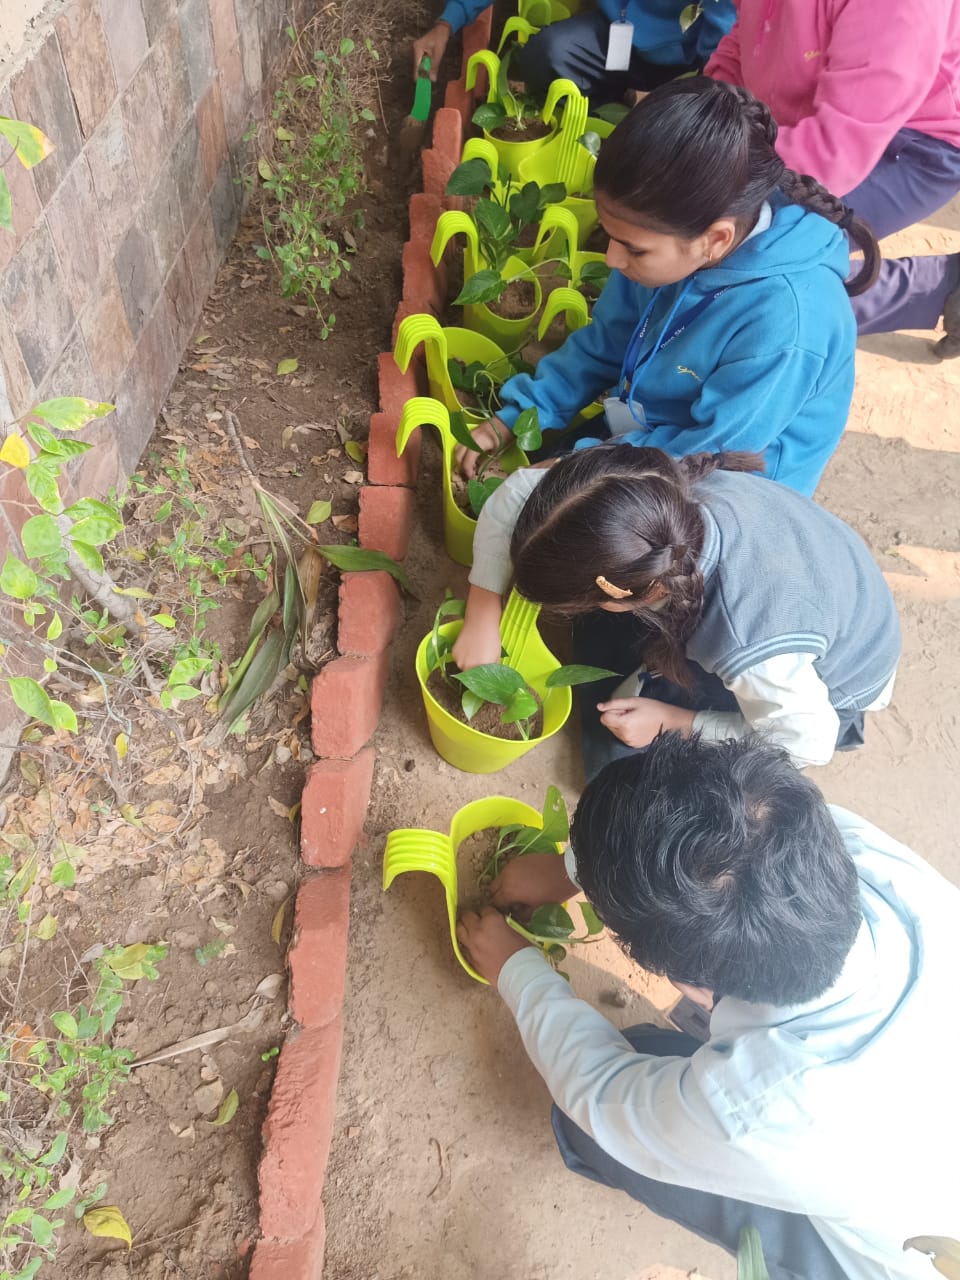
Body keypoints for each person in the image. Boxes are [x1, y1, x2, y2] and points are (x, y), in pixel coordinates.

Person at [456, 735, 960, 1279]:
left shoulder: (762, 1113)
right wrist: (570, 871)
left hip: (892, 1258)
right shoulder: (831, 841)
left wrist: (517, 967)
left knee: (603, 1125)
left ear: (691, 986)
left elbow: (600, 1092)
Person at [456, 77, 880, 498]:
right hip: (652, 425)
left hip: (725, 481)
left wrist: (575, 471)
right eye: (611, 237)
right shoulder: (667, 237)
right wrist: (519, 415)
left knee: (556, 511)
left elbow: (710, 454)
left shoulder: (788, 325)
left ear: (716, 240)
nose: (612, 260)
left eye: (633, 249)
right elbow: (607, 340)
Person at [453, 446, 901, 778]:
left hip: (830, 684)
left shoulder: (745, 641)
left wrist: (677, 722)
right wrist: (482, 612)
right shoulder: (647, 491)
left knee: (620, 770)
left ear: (619, 592)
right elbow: (522, 491)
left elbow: (805, 743)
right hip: (814, 583)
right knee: (604, 659)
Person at [705, 0, 960, 352]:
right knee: (717, 260)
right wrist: (701, 115)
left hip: (912, 145)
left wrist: (713, 168)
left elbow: (837, 146)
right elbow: (747, 39)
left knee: (750, 277)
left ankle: (935, 287)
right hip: (810, 120)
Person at [413, 0, 736, 105]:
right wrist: (447, 22)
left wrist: (689, 96)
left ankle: (645, 108)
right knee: (546, 55)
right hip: (613, 32)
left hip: (684, 66)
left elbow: (726, 38)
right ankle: (619, 103)